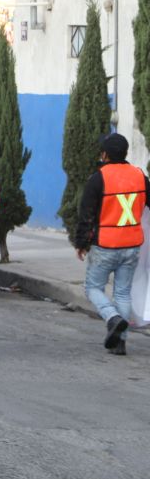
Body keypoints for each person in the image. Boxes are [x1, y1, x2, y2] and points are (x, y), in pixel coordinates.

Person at [74, 132, 150, 356]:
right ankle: (120, 343)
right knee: (123, 294)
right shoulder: (140, 176)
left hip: (105, 245)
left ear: (105, 154)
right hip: (132, 244)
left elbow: (86, 215)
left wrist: (81, 243)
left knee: (93, 288)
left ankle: (112, 317)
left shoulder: (98, 178)